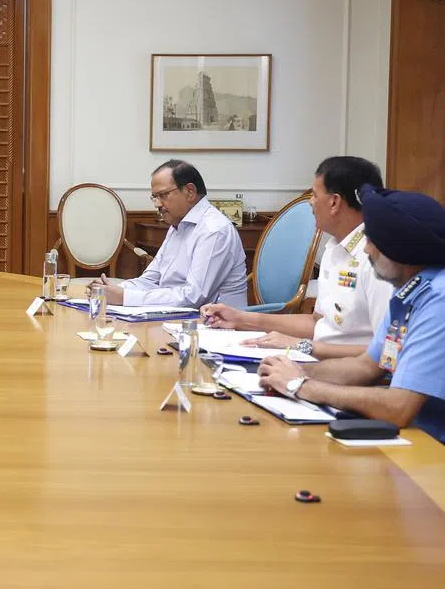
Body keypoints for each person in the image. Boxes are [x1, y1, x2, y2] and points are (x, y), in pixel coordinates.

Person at [258, 185, 445, 443]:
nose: (366, 250)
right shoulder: (409, 291)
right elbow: (365, 366)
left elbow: (399, 407)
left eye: (373, 241)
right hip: (415, 437)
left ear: (399, 248)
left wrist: (303, 386)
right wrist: (291, 371)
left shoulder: (438, 299)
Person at [202, 156, 391, 359]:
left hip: (348, 371)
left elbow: (387, 352)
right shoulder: (334, 248)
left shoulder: (379, 258)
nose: (310, 202)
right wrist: (240, 319)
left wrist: (302, 346)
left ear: (334, 202)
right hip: (318, 359)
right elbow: (317, 323)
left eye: (315, 195)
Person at [94, 159, 246, 308]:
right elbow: (151, 279)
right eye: (155, 197)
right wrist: (111, 289)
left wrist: (124, 297)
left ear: (190, 192)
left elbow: (192, 297)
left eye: (163, 195)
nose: (157, 204)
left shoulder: (214, 230)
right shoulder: (178, 225)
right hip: (180, 316)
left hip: (214, 321)